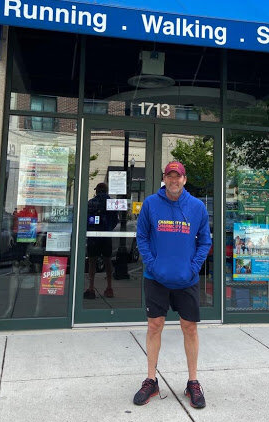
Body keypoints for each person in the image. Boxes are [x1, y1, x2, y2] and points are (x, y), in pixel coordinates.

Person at [133, 161, 212, 408]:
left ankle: (193, 382)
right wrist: (152, 264)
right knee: (155, 325)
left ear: (184, 180)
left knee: (189, 328)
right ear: (164, 178)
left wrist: (193, 267)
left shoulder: (197, 207)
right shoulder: (151, 204)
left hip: (186, 280)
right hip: (156, 278)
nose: (174, 180)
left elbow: (205, 242)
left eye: (178, 177)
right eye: (170, 176)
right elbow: (142, 236)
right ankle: (151, 380)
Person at [84, 182, 118, 299]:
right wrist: (108, 229)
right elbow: (115, 220)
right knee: (107, 261)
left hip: (93, 236)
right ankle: (109, 288)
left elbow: (86, 219)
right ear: (107, 190)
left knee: (92, 261)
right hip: (106, 236)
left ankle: (91, 287)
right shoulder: (112, 202)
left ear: (97, 190)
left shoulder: (91, 202)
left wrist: (90, 229)